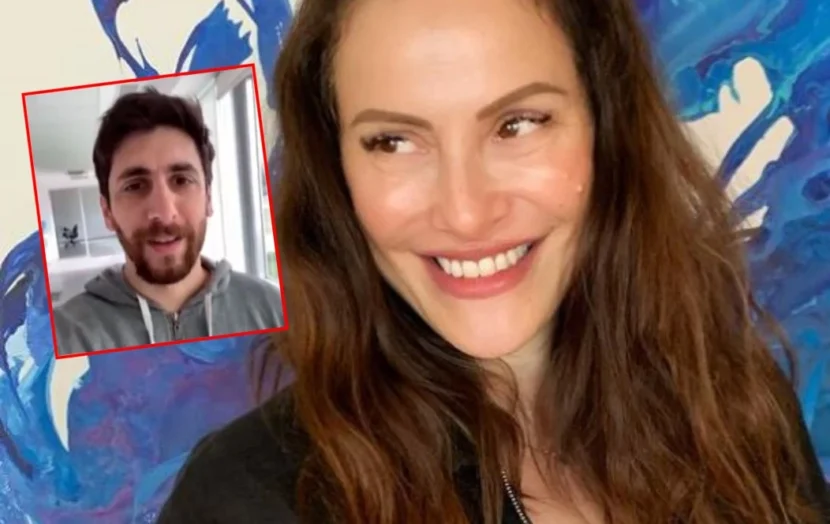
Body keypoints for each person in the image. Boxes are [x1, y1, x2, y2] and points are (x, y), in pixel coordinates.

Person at [157, 0, 830, 522]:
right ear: (339, 175)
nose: (466, 213)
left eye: (518, 124)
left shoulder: (733, 405)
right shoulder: (249, 500)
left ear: (605, 130)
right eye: (393, 141)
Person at [52, 89, 284, 356]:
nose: (163, 213)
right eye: (135, 186)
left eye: (182, 180)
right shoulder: (61, 340)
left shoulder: (273, 313)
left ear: (208, 198)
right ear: (108, 212)